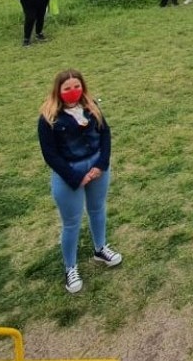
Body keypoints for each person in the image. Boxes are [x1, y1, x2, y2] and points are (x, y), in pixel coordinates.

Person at [37, 69, 122, 294]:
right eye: (67, 88)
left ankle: (100, 248)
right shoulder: (49, 117)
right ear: (58, 91)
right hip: (69, 173)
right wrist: (75, 176)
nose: (73, 92)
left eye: (77, 86)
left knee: (97, 210)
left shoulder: (91, 107)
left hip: (96, 168)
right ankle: (70, 267)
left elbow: (105, 133)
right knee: (72, 222)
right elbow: (50, 154)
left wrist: (101, 164)